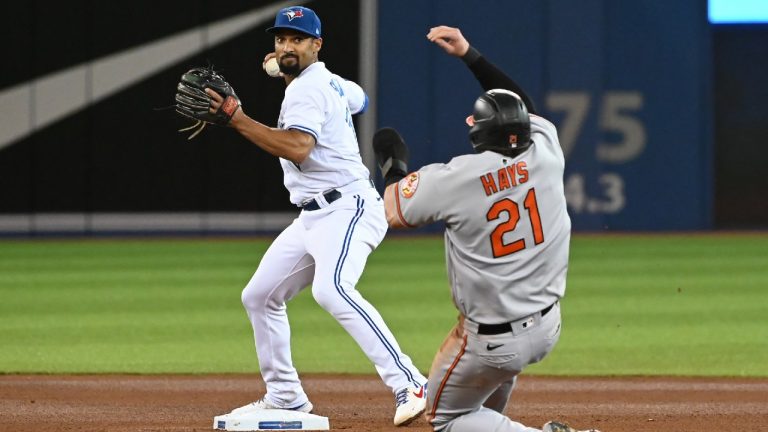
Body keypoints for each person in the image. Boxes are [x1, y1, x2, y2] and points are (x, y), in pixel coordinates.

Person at [205, 6, 428, 427]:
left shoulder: (307, 90)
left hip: (348, 208)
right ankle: (285, 396)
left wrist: (237, 119)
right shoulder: (327, 82)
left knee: (332, 289)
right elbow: (360, 97)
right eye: (280, 39)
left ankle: (411, 382)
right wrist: (288, 69)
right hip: (313, 217)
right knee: (259, 296)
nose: (287, 46)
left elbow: (296, 148)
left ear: (316, 44)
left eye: (297, 39)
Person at [372, 26, 600, 432]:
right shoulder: (547, 151)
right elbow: (523, 105)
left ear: (478, 131)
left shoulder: (457, 177)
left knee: (445, 419)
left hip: (491, 342)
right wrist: (470, 55)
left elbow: (392, 209)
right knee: (485, 400)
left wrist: (394, 164)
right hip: (547, 325)